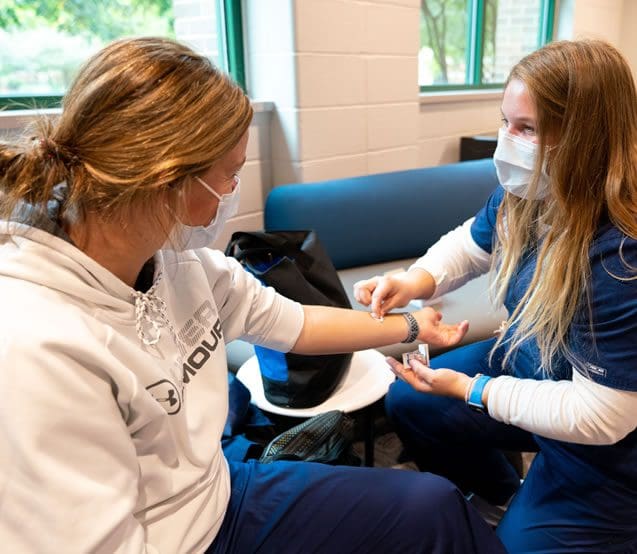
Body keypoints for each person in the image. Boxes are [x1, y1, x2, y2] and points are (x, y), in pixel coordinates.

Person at [0, 37, 507, 553]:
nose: (234, 190)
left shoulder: (180, 265)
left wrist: (416, 327)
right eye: (231, 174)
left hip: (217, 493)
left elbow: (297, 324)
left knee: (435, 507)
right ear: (168, 177)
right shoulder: (38, 344)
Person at [354, 39, 637, 553]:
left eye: (526, 129)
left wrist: (471, 390)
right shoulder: (533, 192)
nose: (507, 142)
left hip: (608, 449)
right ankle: (505, 495)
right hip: (538, 362)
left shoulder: (620, 258)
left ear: (585, 138)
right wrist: (416, 280)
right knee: (410, 402)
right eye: (505, 122)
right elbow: (473, 241)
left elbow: (601, 416)